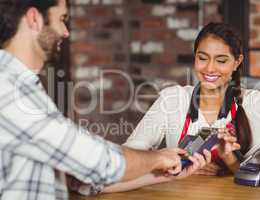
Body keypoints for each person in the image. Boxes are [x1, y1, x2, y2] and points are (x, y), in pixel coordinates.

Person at [0, 1, 208, 199]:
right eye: (62, 19)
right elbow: (100, 162)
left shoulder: (24, 88)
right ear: (34, 19)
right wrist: (159, 158)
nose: (66, 31)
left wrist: (165, 174)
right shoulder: (9, 91)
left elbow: (80, 178)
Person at [101, 22, 260, 192]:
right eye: (202, 58)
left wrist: (228, 160)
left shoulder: (252, 101)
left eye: (221, 60)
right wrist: (161, 159)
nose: (210, 68)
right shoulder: (173, 98)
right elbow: (131, 153)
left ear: (237, 62)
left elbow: (259, 174)